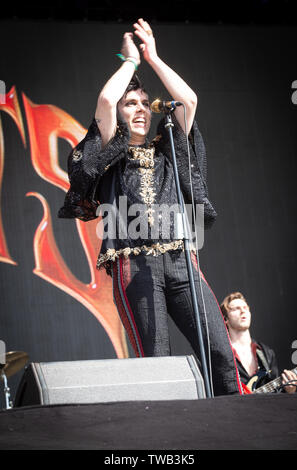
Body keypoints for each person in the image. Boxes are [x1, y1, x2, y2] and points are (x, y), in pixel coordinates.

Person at [58, 18, 243, 396]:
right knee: (161, 367)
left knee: (220, 355)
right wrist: (130, 63)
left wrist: (153, 57)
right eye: (132, 103)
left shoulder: (168, 148)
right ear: (121, 114)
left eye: (145, 102)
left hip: (180, 262)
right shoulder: (111, 150)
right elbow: (106, 101)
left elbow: (188, 101)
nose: (141, 109)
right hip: (134, 267)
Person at [220, 292, 297, 394]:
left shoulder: (266, 352)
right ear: (225, 318)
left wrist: (289, 390)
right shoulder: (222, 355)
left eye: (245, 307)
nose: (243, 311)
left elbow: (277, 395)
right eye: (236, 308)